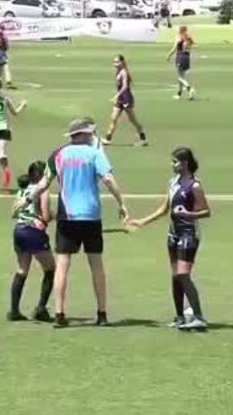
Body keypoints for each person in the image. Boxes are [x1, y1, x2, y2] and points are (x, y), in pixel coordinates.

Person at [30, 118, 129, 328]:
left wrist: (28, 199)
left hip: (68, 216)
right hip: (91, 215)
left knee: (63, 265)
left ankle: (59, 313)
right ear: (83, 134)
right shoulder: (95, 153)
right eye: (90, 133)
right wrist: (121, 203)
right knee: (96, 264)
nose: (93, 136)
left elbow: (43, 182)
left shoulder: (58, 154)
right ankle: (102, 314)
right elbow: (109, 179)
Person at [127, 147, 211, 331]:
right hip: (173, 233)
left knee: (183, 274)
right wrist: (142, 221)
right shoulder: (172, 183)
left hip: (189, 233)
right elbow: (164, 208)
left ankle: (199, 316)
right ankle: (180, 316)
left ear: (185, 163)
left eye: (175, 162)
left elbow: (206, 211)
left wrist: (188, 214)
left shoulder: (194, 186)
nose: (172, 165)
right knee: (175, 276)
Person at [7, 161, 55, 323]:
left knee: (22, 270)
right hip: (34, 232)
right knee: (50, 269)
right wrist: (59, 215)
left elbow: (14, 212)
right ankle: (41, 308)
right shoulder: (42, 191)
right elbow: (46, 216)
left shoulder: (22, 191)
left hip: (19, 230)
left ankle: (14, 311)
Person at [102, 55, 148, 146]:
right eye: (114, 62)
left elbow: (125, 86)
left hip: (127, 98)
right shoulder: (118, 71)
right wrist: (118, 97)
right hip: (120, 99)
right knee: (113, 118)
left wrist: (116, 96)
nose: (115, 64)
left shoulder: (124, 72)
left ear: (122, 62)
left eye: (117, 62)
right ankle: (108, 138)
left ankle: (143, 138)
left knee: (132, 120)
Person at [165, 25, 196, 101]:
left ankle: (189, 88)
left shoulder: (179, 38)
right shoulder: (189, 38)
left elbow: (174, 49)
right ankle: (179, 94)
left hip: (180, 57)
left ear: (180, 30)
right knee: (182, 77)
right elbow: (190, 45)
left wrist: (168, 55)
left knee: (180, 77)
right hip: (187, 57)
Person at [0, 23, 14, 88]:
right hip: (1, 53)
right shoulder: (4, 36)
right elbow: (7, 46)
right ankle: (8, 82)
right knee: (5, 67)